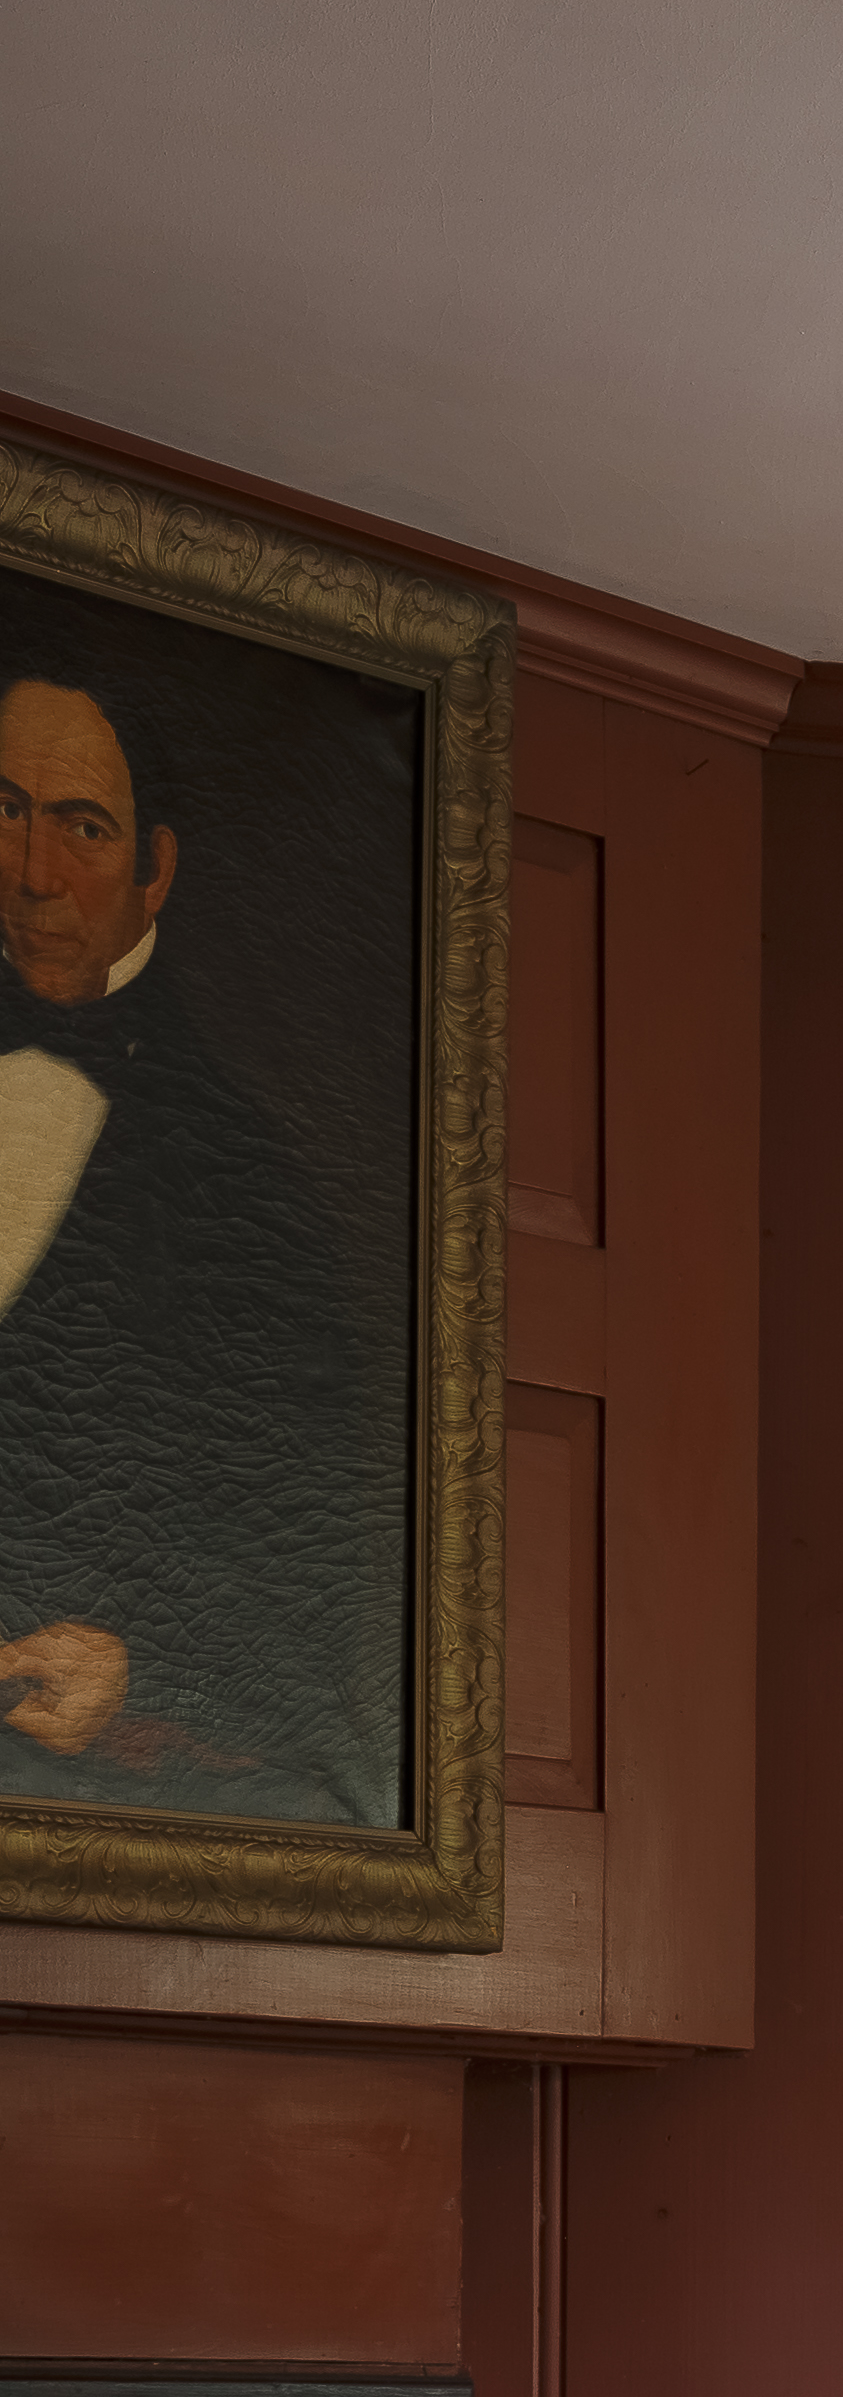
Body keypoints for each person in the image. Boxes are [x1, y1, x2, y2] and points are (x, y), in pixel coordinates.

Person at [0, 648, 406, 1828]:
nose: (33, 874)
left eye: (83, 828)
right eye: (7, 811)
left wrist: (137, 1671)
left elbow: (307, 1561)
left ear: (156, 870)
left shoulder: (252, 1191)